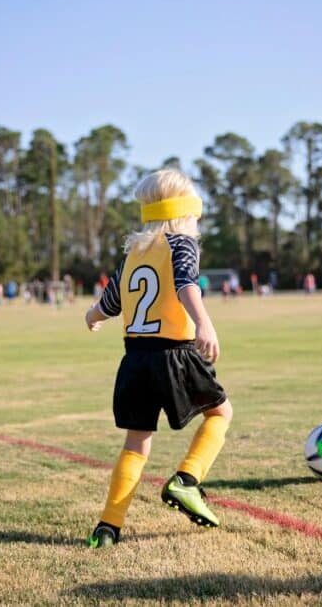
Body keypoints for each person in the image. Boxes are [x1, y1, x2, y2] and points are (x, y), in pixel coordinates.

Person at [83, 168, 231, 548]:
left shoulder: (135, 251)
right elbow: (186, 285)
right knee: (221, 413)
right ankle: (186, 480)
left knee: (136, 443)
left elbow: (111, 302)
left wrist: (92, 315)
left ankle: (108, 527)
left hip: (134, 359)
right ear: (186, 211)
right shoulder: (181, 243)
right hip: (174, 353)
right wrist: (204, 324)